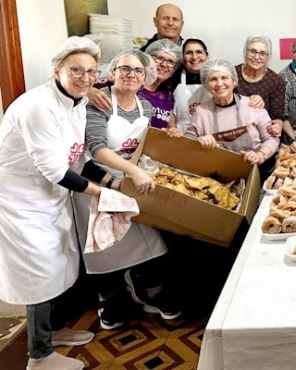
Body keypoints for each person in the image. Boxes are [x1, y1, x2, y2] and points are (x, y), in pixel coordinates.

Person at [0, 37, 106, 370]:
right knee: (40, 272)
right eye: (76, 69)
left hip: (49, 195)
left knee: (60, 262)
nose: (84, 78)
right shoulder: (37, 106)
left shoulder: (76, 103)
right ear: (56, 69)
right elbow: (56, 169)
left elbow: (77, 159)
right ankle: (39, 355)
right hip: (21, 202)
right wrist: (104, 193)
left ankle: (53, 330)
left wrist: (112, 181)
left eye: (91, 71)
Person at [75, 49, 180, 330]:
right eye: (124, 69)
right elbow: (96, 148)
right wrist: (130, 173)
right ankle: (108, 301)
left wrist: (170, 135)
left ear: (145, 77)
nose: (131, 75)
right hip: (96, 181)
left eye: (137, 71)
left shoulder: (145, 105)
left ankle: (151, 294)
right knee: (103, 248)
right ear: (112, 74)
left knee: (149, 240)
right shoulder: (98, 103)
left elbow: (144, 143)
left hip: (130, 181)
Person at [185, 59, 280, 183]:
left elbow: (271, 138)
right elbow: (187, 145)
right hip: (218, 178)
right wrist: (198, 142)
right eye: (213, 79)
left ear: (234, 81)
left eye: (224, 78)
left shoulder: (252, 106)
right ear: (206, 86)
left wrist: (260, 155)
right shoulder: (201, 112)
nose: (219, 84)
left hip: (257, 174)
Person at [88, 39, 183, 134]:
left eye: (170, 61)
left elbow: (171, 126)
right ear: (147, 61)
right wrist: (89, 91)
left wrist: (172, 131)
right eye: (159, 58)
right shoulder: (126, 82)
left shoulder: (166, 94)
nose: (164, 64)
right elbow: (86, 92)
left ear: (174, 70)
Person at [235, 36, 285, 137]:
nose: (257, 57)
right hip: (234, 131)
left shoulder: (276, 81)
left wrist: (277, 126)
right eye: (253, 51)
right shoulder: (232, 74)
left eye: (262, 54)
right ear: (245, 52)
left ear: (268, 57)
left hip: (263, 135)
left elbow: (277, 116)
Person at [171, 37, 212, 132]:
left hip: (210, 135)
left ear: (207, 56)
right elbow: (167, 110)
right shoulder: (173, 79)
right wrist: (172, 128)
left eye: (199, 52)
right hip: (181, 135)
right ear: (182, 57)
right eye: (189, 53)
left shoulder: (217, 78)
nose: (194, 57)